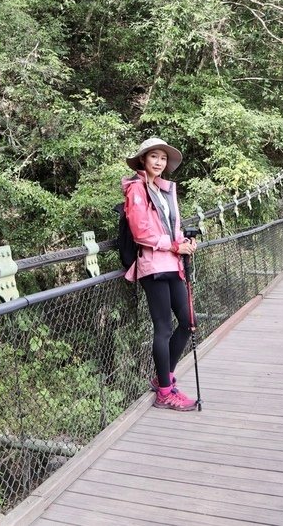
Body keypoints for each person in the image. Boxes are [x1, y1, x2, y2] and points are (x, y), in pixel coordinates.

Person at [123, 137, 199, 411]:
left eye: (163, 158)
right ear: (143, 160)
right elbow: (141, 232)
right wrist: (174, 245)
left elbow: (171, 227)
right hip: (153, 266)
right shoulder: (136, 189)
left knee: (189, 322)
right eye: (154, 156)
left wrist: (185, 244)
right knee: (164, 328)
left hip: (174, 263)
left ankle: (162, 377)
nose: (159, 161)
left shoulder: (166, 190)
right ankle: (165, 392)